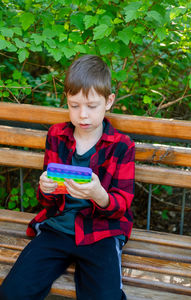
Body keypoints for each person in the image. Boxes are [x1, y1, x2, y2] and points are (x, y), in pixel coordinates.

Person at [0, 55, 135, 300]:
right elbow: (46, 200)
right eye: (74, 105)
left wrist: (99, 195)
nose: (82, 115)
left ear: (109, 102)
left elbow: (121, 206)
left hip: (100, 232)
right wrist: (45, 188)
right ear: (67, 102)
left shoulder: (122, 146)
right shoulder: (57, 135)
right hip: (57, 227)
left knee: (106, 297)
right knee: (13, 292)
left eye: (91, 106)